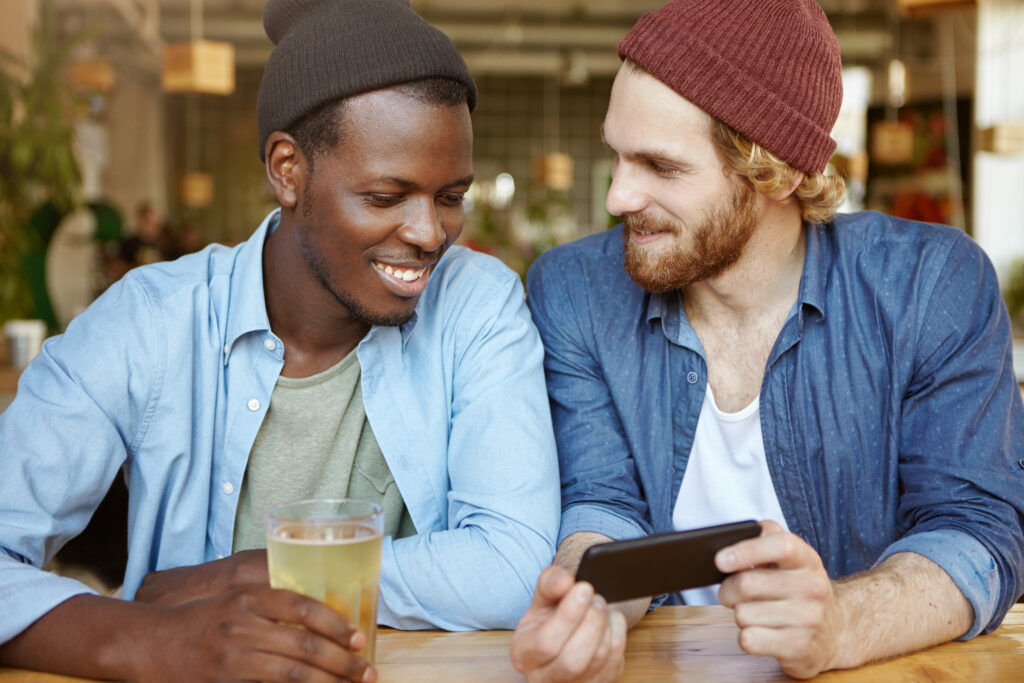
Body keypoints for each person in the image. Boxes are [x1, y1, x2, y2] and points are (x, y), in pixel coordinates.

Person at [0, 0, 559, 680]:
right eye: (386, 195)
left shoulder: (476, 303)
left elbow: (511, 560)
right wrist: (156, 642)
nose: (430, 233)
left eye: (450, 196)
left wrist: (255, 574)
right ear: (288, 170)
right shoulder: (150, 321)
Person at [509, 0, 1024, 680]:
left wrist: (842, 621)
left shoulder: (929, 285)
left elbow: (978, 532)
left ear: (773, 171)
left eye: (660, 167)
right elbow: (605, 501)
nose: (618, 197)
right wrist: (589, 602)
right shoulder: (574, 290)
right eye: (617, 155)